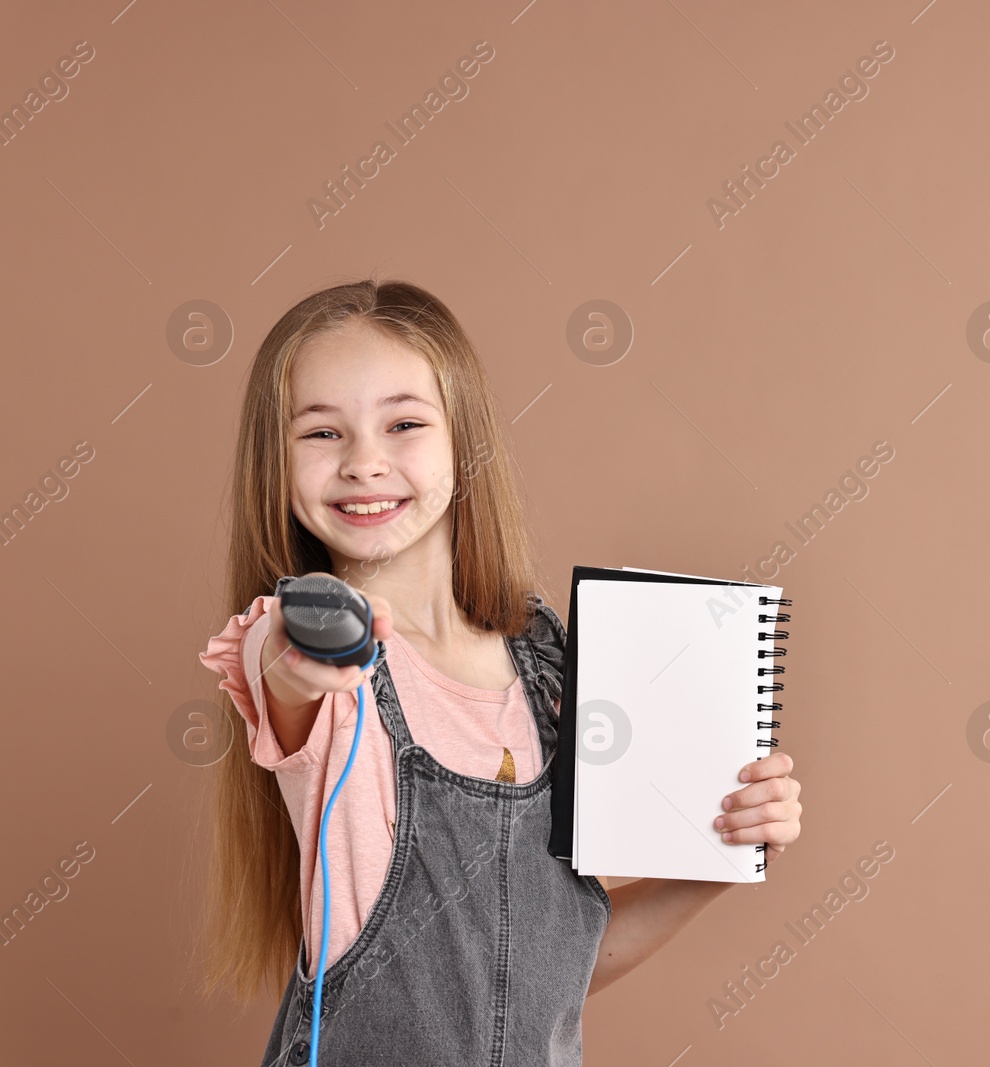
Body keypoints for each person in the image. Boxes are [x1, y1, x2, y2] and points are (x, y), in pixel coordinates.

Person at [196, 279, 802, 1065]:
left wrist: (722, 856)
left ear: (464, 439)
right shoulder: (298, 652)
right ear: (272, 461)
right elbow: (281, 666)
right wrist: (314, 650)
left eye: (404, 423)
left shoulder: (548, 667)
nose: (364, 462)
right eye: (321, 434)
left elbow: (550, 968)